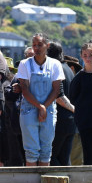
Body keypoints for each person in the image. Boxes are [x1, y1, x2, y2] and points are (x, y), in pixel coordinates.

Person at [14, 33, 64, 166]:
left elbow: (56, 89)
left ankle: (44, 182)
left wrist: (44, 107)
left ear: (47, 46)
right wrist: (40, 107)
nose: (36, 48)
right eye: (34, 45)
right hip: (29, 110)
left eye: (40, 45)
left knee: (46, 150)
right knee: (31, 150)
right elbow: (24, 89)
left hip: (49, 110)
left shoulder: (55, 64)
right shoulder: (25, 64)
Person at [47, 41, 76, 166]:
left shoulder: (55, 67)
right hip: (71, 122)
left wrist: (74, 109)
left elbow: (59, 96)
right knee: (65, 159)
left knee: (48, 157)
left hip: (59, 120)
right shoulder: (69, 69)